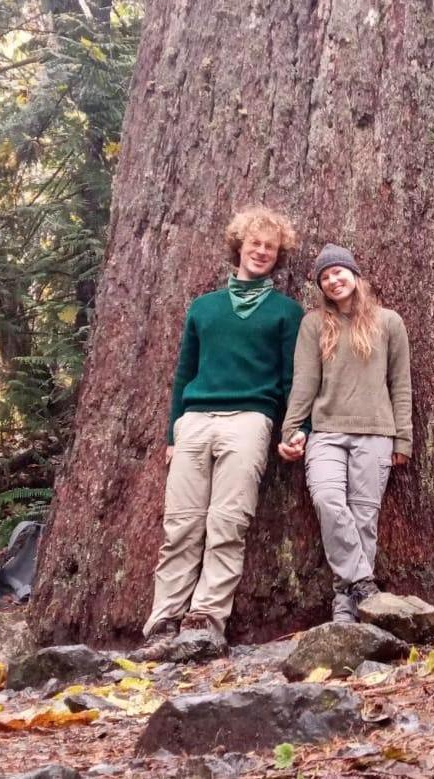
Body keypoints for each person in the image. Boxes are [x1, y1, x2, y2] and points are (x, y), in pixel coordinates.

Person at [142, 205, 302, 647]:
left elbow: (292, 380)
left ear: (278, 255)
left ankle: (206, 620)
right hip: (195, 422)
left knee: (227, 523)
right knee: (181, 525)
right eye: (255, 243)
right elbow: (182, 373)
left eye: (270, 247)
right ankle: (163, 620)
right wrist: (172, 432)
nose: (262, 252)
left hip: (250, 421)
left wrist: (292, 429)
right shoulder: (204, 308)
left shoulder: (287, 312)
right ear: (239, 246)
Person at [278, 244, 412, 623]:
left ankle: (345, 602)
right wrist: (292, 429)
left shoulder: (389, 322)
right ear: (321, 287)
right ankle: (365, 586)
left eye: (338, 272)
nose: (333, 280)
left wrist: (404, 439)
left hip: (375, 434)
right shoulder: (314, 324)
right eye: (325, 277)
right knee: (328, 501)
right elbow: (304, 382)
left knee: (364, 517)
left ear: (354, 274)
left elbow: (400, 384)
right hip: (326, 433)